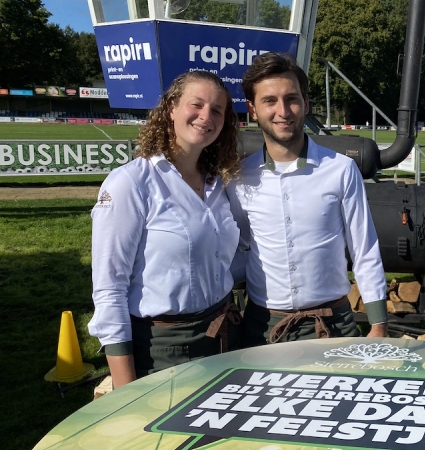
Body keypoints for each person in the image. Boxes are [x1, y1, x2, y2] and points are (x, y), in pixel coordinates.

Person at [89, 70, 242, 389]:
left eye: (217, 110)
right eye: (196, 105)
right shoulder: (131, 183)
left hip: (225, 336)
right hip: (163, 349)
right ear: (171, 108)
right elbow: (110, 288)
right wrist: (125, 388)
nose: (206, 116)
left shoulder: (219, 184)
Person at [227, 52, 388, 345]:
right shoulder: (239, 177)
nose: (283, 111)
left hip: (333, 324)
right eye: (269, 101)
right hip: (264, 329)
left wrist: (379, 325)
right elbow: (241, 246)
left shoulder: (341, 169)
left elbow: (364, 249)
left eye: (291, 99)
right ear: (252, 109)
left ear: (306, 103)